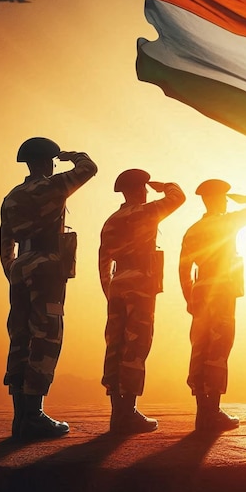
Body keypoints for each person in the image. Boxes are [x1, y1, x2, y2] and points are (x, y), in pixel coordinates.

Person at [0, 137, 97, 440]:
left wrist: (15, 273)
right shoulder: (54, 186)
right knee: (46, 335)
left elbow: (5, 244)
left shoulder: (11, 197)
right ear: (47, 162)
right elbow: (89, 167)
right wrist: (72, 154)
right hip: (46, 264)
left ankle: (20, 418)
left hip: (20, 266)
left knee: (20, 336)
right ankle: (35, 415)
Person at [99, 169, 185, 434]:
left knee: (115, 344)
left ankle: (117, 412)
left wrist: (110, 291)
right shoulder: (146, 212)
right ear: (138, 190)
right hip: (140, 284)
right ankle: (129, 412)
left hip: (117, 283)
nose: (147, 193)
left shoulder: (111, 220)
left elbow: (103, 260)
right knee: (137, 344)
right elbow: (178, 197)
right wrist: (166, 184)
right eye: (144, 189)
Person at [179, 179, 246, 431]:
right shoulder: (227, 222)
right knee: (218, 349)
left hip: (200, 290)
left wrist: (190, 299)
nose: (226, 202)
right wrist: (243, 197)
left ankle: (201, 412)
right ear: (218, 199)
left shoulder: (193, 230)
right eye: (224, 198)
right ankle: (213, 411)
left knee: (199, 349)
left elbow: (183, 268)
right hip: (221, 290)